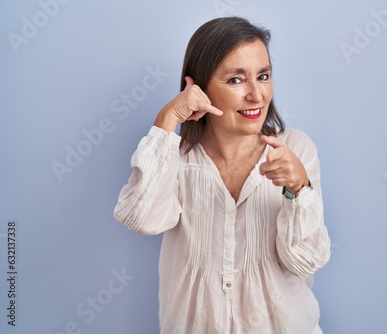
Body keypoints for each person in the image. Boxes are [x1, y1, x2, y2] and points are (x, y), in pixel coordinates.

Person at [114, 16, 331, 334]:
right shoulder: (175, 158)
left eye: (264, 75)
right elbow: (141, 219)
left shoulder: (296, 148)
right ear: (199, 88)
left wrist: (298, 189)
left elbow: (306, 261)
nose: (256, 95)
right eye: (236, 80)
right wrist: (166, 119)